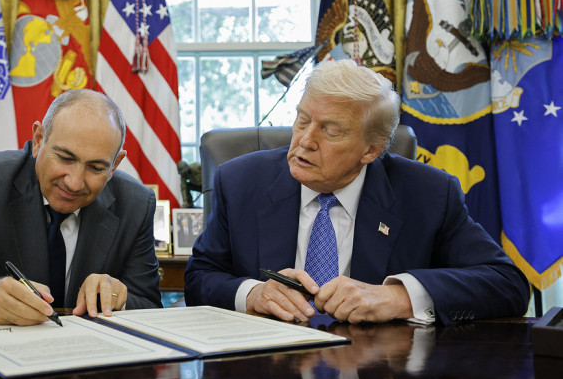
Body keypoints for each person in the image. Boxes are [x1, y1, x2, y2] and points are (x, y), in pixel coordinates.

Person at [185, 59, 529, 325]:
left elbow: (507, 284)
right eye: (302, 120)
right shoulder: (241, 182)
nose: (305, 140)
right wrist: (253, 294)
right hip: (268, 373)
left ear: (371, 150)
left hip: (380, 374)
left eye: (331, 131)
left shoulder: (429, 194)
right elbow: (199, 278)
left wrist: (398, 298)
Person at [0, 89, 162, 325]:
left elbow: (149, 304)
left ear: (115, 165)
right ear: (38, 139)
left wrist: (117, 297)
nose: (74, 182)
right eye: (65, 158)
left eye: (96, 168)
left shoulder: (137, 203)